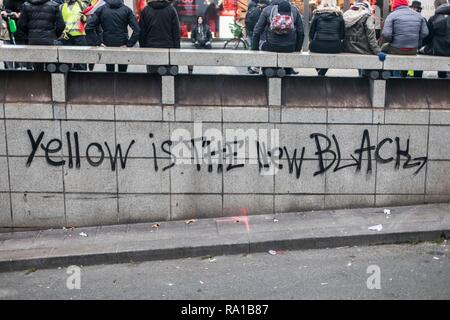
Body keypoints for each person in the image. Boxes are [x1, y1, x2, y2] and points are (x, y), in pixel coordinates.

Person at [85, 0, 140, 72]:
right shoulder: (127, 10)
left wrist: (97, 42)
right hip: (122, 44)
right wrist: (129, 44)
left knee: (109, 70)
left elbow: (88, 27)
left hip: (107, 44)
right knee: (123, 71)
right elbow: (137, 30)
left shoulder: (101, 9)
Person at [17, 0, 65, 71]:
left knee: (37, 65)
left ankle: (38, 80)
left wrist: (30, 34)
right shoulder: (54, 5)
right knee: (51, 66)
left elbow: (21, 25)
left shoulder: (26, 5)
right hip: (50, 40)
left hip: (33, 41)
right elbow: (61, 25)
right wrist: (54, 35)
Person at [139, 0, 180, 73]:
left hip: (150, 49)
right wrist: (176, 51)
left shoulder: (146, 10)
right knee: (168, 77)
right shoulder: (171, 9)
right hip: (168, 49)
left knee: (152, 78)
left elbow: (142, 33)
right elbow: (176, 33)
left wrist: (143, 49)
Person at [309, 0, 345, 76]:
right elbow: (342, 35)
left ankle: (319, 69)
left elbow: (311, 34)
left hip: (318, 45)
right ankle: (322, 71)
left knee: (312, 47)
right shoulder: (339, 16)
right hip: (335, 46)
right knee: (329, 49)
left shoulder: (317, 15)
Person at [420, 0, 450, 78]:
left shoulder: (434, 19)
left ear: (436, 7)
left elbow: (428, 38)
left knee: (420, 52)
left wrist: (422, 47)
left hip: (438, 50)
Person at [60, 0, 88, 70]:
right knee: (66, 62)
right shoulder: (61, 6)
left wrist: (85, 19)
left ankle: (82, 78)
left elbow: (89, 19)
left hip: (79, 36)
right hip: (66, 37)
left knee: (81, 61)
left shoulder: (82, 5)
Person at [1, 0, 29, 69]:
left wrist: (20, 15)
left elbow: (29, 12)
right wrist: (7, 14)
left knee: (22, 62)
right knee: (9, 63)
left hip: (22, 34)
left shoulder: (26, 3)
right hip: (9, 34)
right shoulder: (6, 2)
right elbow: (5, 11)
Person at [245, 0, 268, 74]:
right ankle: (258, 67)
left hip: (251, 31)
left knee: (254, 48)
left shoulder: (252, 5)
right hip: (259, 32)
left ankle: (254, 67)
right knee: (259, 49)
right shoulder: (264, 8)